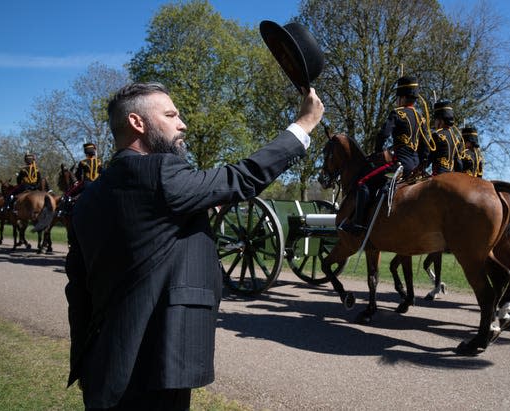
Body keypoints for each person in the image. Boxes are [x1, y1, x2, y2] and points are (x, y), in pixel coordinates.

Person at [64, 82, 324, 410]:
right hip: (155, 362)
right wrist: (303, 126)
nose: (182, 123)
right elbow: (241, 178)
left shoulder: (88, 197)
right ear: (137, 123)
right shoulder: (159, 173)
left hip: (103, 363)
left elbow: (78, 289)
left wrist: (85, 360)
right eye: (171, 114)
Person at [343, 75, 433, 234]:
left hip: (399, 164)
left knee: (363, 182)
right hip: (415, 167)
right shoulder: (422, 118)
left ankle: (358, 224)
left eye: (398, 97)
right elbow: (426, 148)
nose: (397, 101)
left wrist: (378, 151)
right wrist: (421, 165)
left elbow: (383, 134)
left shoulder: (397, 113)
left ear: (403, 97)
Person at [428, 100, 464, 175]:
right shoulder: (456, 139)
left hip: (438, 175)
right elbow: (458, 163)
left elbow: (428, 157)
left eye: (435, 120)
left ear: (440, 120)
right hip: (452, 175)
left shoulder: (436, 135)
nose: (435, 123)